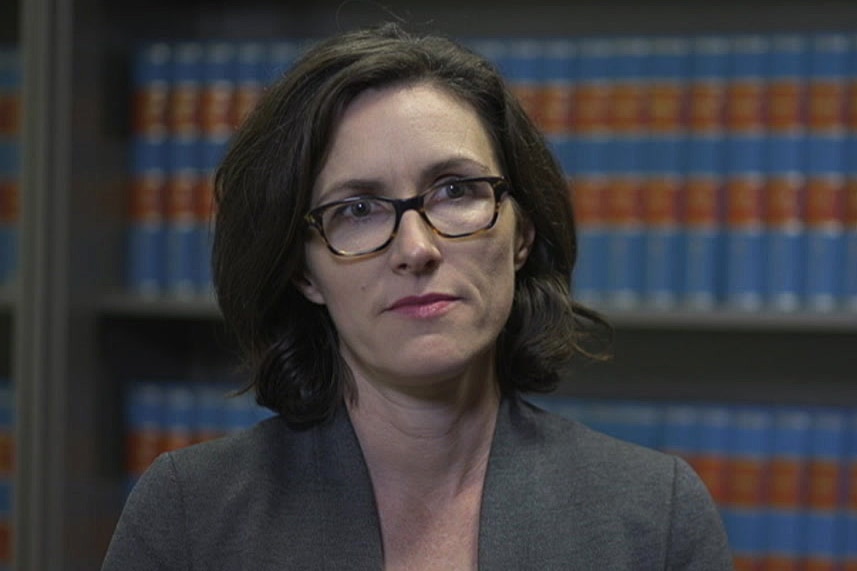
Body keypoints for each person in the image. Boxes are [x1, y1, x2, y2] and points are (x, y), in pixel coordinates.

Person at [102, 23, 733, 570]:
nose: (416, 247)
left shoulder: (655, 515)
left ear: (522, 232)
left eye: (456, 192)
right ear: (305, 273)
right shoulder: (189, 515)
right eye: (356, 209)